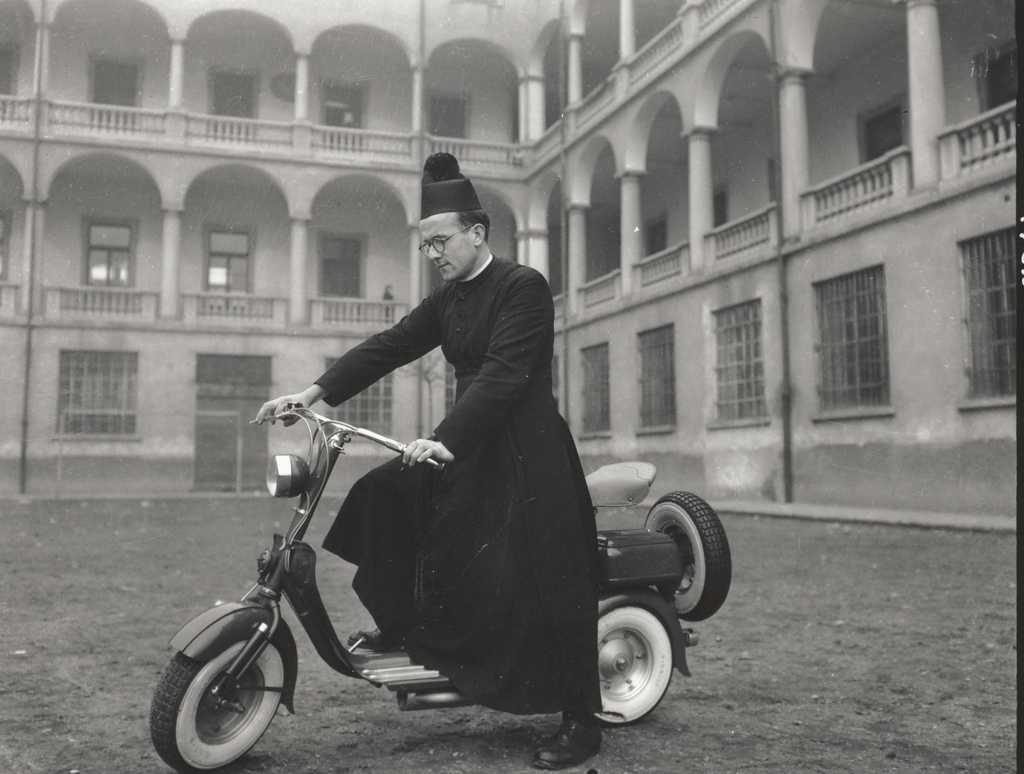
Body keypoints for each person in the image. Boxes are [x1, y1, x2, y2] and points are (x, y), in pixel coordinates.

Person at [255, 152, 602, 770]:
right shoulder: (447, 300)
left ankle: (581, 718)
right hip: (466, 444)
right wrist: (311, 393)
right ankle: (409, 629)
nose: (432, 253)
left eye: (441, 241)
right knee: (382, 495)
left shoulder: (523, 287)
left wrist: (445, 437)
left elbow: (503, 375)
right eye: (425, 245)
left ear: (478, 233)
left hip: (528, 450)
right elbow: (390, 346)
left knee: (547, 572)